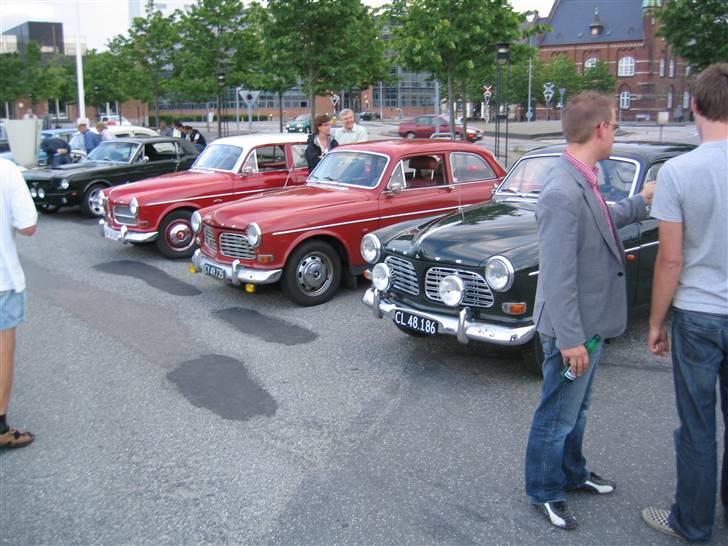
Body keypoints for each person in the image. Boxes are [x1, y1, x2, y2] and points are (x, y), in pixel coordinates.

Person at [524, 91, 656, 530]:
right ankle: (544, 489)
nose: (615, 132)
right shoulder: (562, 190)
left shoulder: (585, 177)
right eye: (615, 124)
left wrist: (643, 201)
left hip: (589, 323)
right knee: (557, 411)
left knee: (575, 410)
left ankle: (573, 473)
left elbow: (600, 220)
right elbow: (558, 275)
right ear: (600, 129)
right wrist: (570, 340)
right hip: (574, 329)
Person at [641, 63, 728, 543]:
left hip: (698, 314)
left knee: (698, 425)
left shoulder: (679, 172)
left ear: (695, 106)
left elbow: (670, 260)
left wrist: (656, 322)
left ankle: (692, 524)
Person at [0, 159, 38, 449]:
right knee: (2, 351)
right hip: (2, 279)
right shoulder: (6, 170)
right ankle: (0, 427)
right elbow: (27, 226)